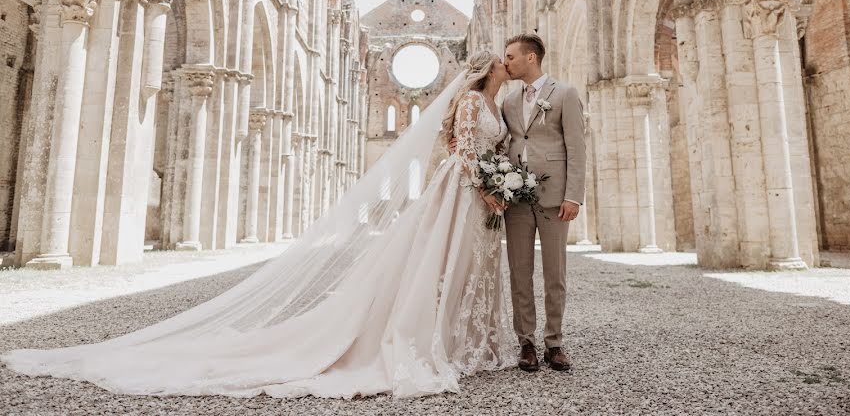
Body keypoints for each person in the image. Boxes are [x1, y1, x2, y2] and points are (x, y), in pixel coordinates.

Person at [2, 51, 518, 399]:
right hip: (466, 189)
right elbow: (465, 151)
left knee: (454, 264)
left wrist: (497, 185)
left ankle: (459, 339)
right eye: (502, 59)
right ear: (486, 70)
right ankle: (425, 340)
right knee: (438, 262)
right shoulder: (472, 100)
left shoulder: (494, 102)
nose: (506, 63)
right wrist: (492, 189)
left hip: (472, 192)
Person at [501, 33, 586, 372]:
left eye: (510, 56)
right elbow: (509, 142)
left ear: (530, 57)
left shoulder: (564, 94)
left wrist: (573, 196)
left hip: (555, 199)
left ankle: (555, 342)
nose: (505, 62)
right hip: (517, 199)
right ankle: (526, 343)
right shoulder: (508, 102)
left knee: (555, 272)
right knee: (519, 272)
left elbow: (577, 148)